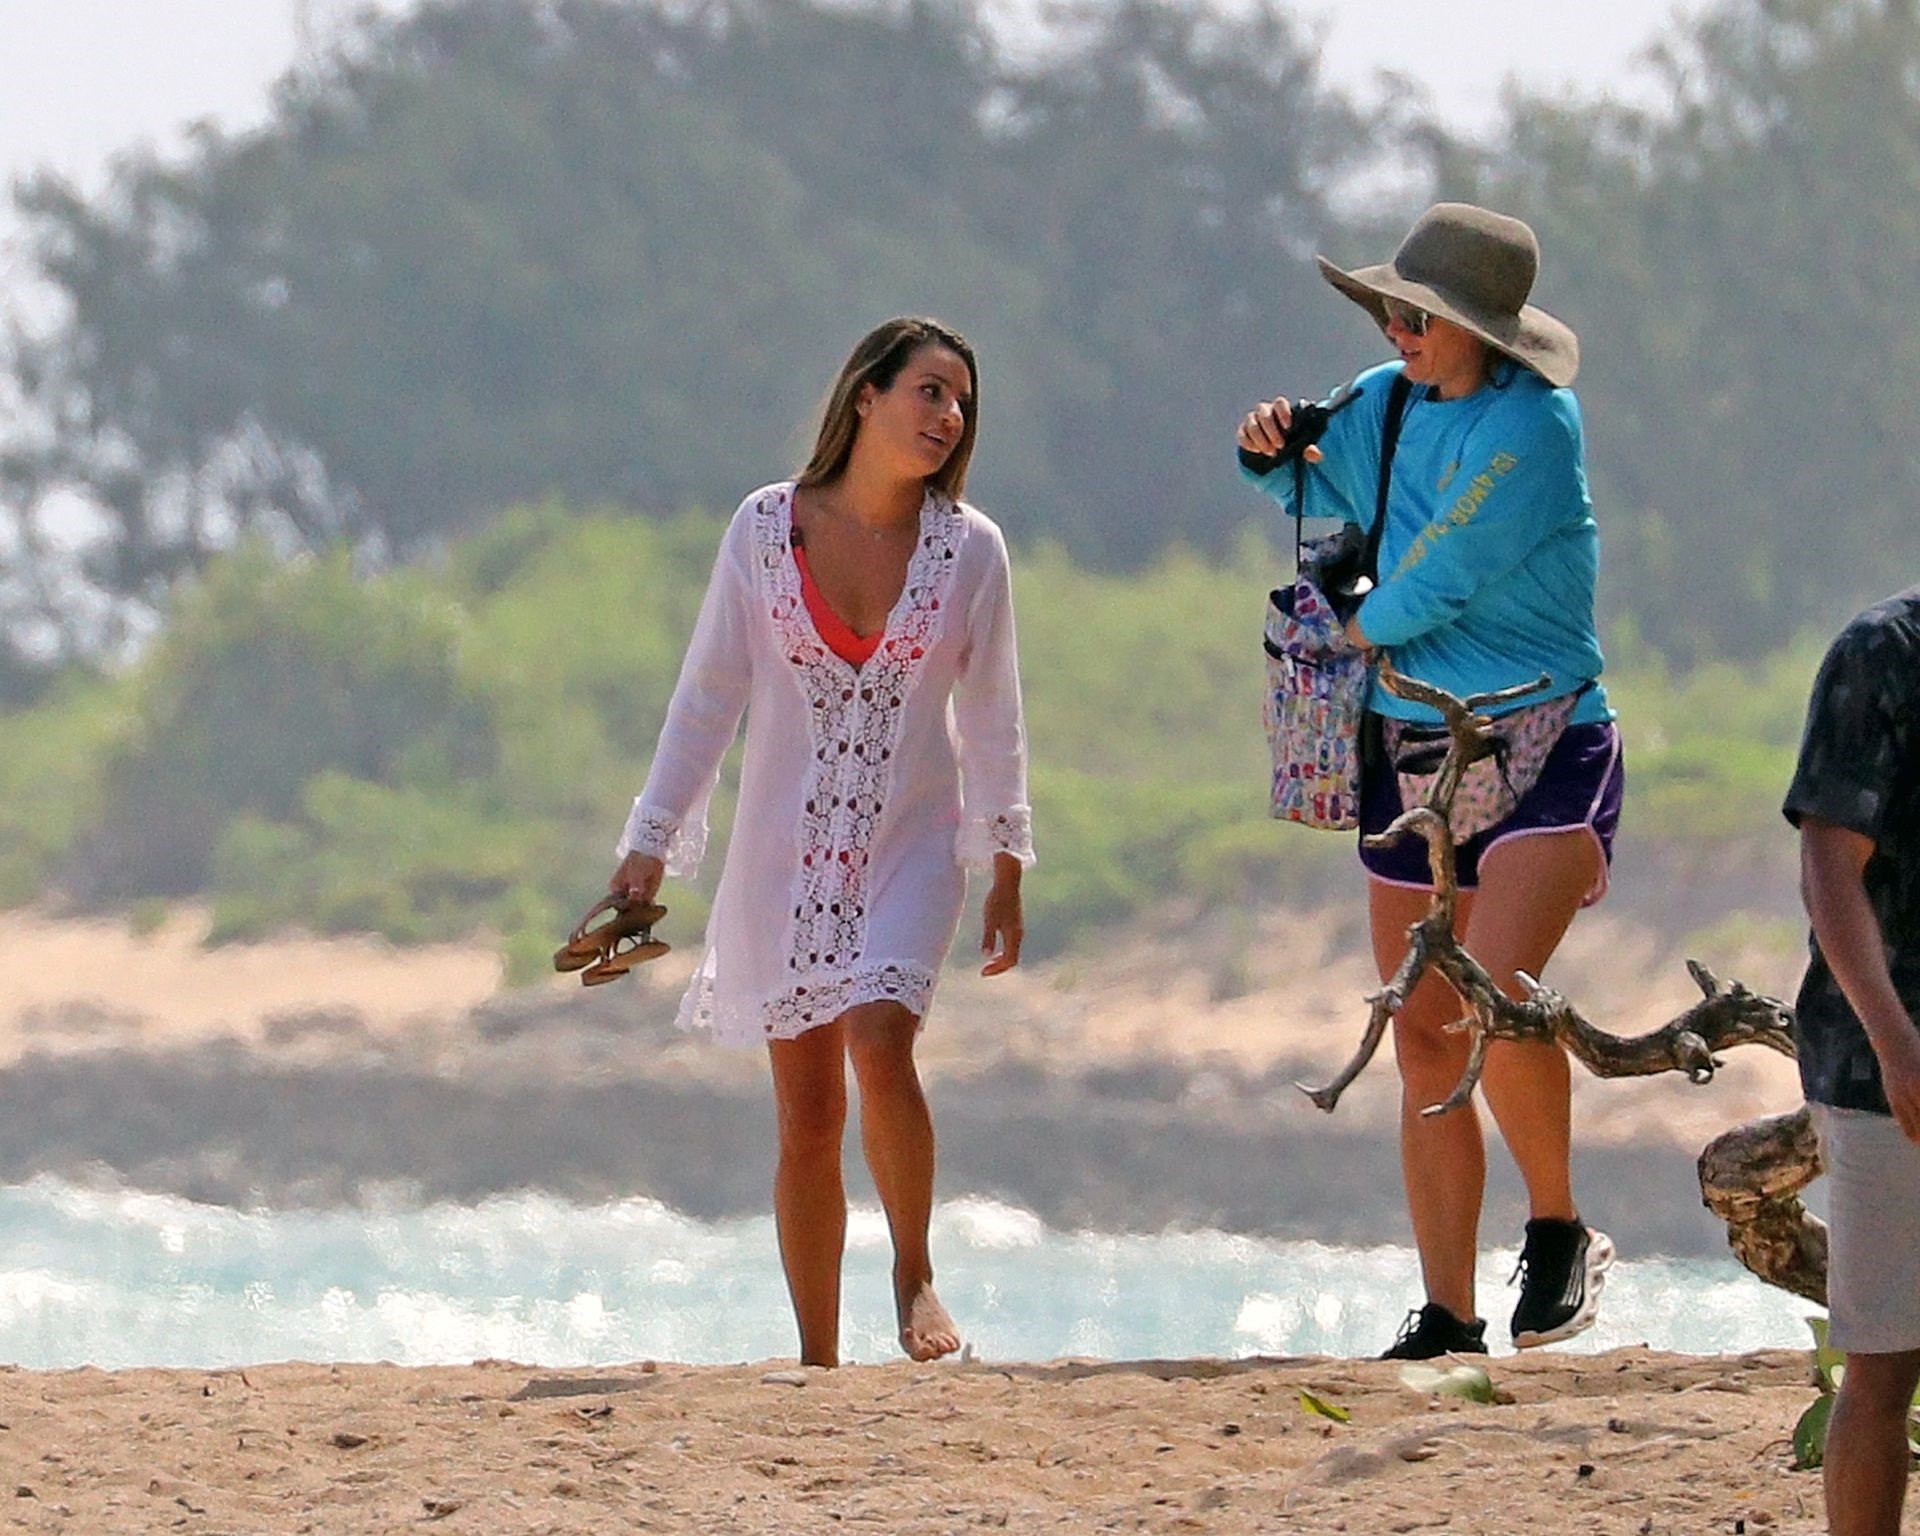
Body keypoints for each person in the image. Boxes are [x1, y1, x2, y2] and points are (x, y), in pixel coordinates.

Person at [1234, 203, 1623, 1359]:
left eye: (1419, 314)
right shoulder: (1386, 398)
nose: (1396, 327)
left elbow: (1439, 575)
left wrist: (1352, 629)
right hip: (1408, 753)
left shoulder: (1536, 428)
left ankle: (1558, 1228)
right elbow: (1302, 481)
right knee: (1422, 1033)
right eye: (1390, 309)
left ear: (1481, 329)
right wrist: (1263, 446)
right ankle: (1448, 1313)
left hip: (1544, 738)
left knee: (1497, 991)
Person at [609, 317, 1034, 1368]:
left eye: (962, 402)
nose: (950, 417)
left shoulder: (969, 550)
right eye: (930, 392)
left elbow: (992, 716)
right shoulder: (763, 530)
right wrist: (650, 844)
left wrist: (1007, 862)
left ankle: (913, 1270)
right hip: (781, 858)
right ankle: (817, 1361)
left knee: (882, 1039)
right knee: (805, 1113)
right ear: (866, 399)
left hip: (911, 847)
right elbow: (708, 695)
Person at [1782, 587, 1920, 1536]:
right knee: (1883, 1363)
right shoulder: (1882, 656)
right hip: (1887, 1072)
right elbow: (1831, 870)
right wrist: (1897, 1040)